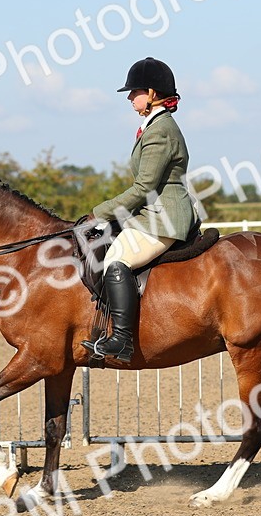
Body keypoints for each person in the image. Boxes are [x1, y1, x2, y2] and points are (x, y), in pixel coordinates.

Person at [81, 57, 198, 364]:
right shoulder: (154, 127)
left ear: (152, 93)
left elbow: (144, 187)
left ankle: (121, 340)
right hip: (150, 216)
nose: (130, 98)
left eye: (134, 93)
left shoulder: (160, 131)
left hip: (164, 219)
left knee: (116, 259)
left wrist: (100, 212)